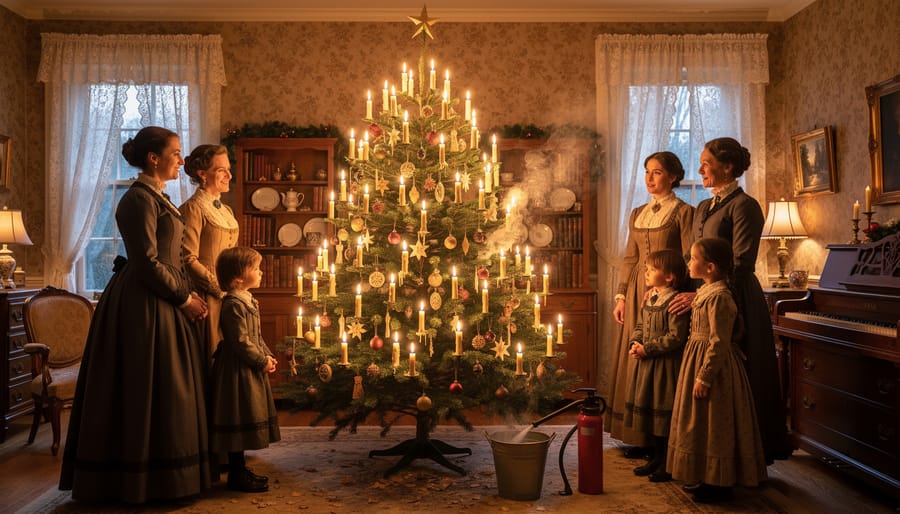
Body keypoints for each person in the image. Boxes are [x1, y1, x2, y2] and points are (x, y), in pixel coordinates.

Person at [59, 126, 212, 503]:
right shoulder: (138, 200)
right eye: (175, 153)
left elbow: (169, 258)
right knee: (147, 387)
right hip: (143, 305)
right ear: (153, 158)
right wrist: (183, 298)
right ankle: (138, 481)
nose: (182, 159)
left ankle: (169, 479)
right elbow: (146, 262)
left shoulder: (158, 197)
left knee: (167, 387)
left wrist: (186, 292)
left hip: (161, 298)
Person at [669, 137, 791, 463]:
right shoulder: (703, 207)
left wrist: (702, 297)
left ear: (728, 167)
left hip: (734, 301)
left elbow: (741, 263)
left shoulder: (745, 206)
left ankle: (741, 458)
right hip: (702, 299)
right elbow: (692, 257)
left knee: (736, 379)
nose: (699, 169)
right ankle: (703, 456)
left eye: (706, 164)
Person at [667, 238, 767, 503]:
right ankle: (705, 475)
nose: (688, 263)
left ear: (709, 267)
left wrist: (705, 375)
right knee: (701, 422)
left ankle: (720, 482)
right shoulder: (705, 291)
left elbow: (719, 341)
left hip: (716, 369)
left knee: (716, 422)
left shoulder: (720, 298)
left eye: (693, 258)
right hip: (696, 358)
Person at [607, 152, 694, 457]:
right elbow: (630, 258)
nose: (650, 177)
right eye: (647, 171)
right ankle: (636, 436)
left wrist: (679, 295)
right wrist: (620, 296)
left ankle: (659, 439)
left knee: (658, 361)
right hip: (636, 294)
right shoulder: (637, 213)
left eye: (657, 172)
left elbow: (688, 260)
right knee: (635, 353)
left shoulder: (684, 213)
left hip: (668, 292)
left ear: (672, 177)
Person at [209, 246, 281, 493]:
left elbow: (256, 336)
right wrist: (260, 361)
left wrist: (267, 355)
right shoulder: (233, 304)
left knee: (248, 413)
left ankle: (240, 470)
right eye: (256, 269)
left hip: (248, 367)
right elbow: (240, 341)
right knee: (237, 416)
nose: (261, 273)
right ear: (239, 278)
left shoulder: (248, 300)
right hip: (236, 371)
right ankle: (236, 472)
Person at [623, 249, 690, 483]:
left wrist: (648, 349)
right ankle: (654, 457)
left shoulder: (675, 301)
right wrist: (635, 343)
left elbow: (675, 336)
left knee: (663, 413)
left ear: (670, 276)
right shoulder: (650, 298)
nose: (647, 272)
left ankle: (666, 463)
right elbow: (640, 325)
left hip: (665, 367)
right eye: (647, 269)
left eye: (652, 270)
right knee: (650, 410)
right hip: (647, 366)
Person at [181, 144, 239, 367]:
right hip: (207, 298)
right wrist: (217, 288)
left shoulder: (226, 211)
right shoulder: (193, 208)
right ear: (202, 174)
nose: (229, 175)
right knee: (211, 358)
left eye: (228, 169)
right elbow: (187, 259)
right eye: (221, 170)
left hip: (229, 294)